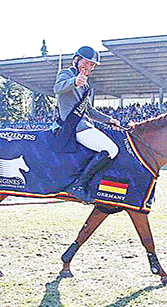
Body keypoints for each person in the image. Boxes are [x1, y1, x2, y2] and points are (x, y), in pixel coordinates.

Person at [53, 46, 121, 202]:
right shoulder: (66, 74)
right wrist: (74, 82)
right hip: (74, 126)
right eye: (87, 63)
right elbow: (57, 88)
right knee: (111, 149)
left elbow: (89, 110)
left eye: (93, 65)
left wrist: (110, 120)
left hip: (86, 125)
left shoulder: (86, 84)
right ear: (76, 60)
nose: (90, 67)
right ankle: (78, 186)